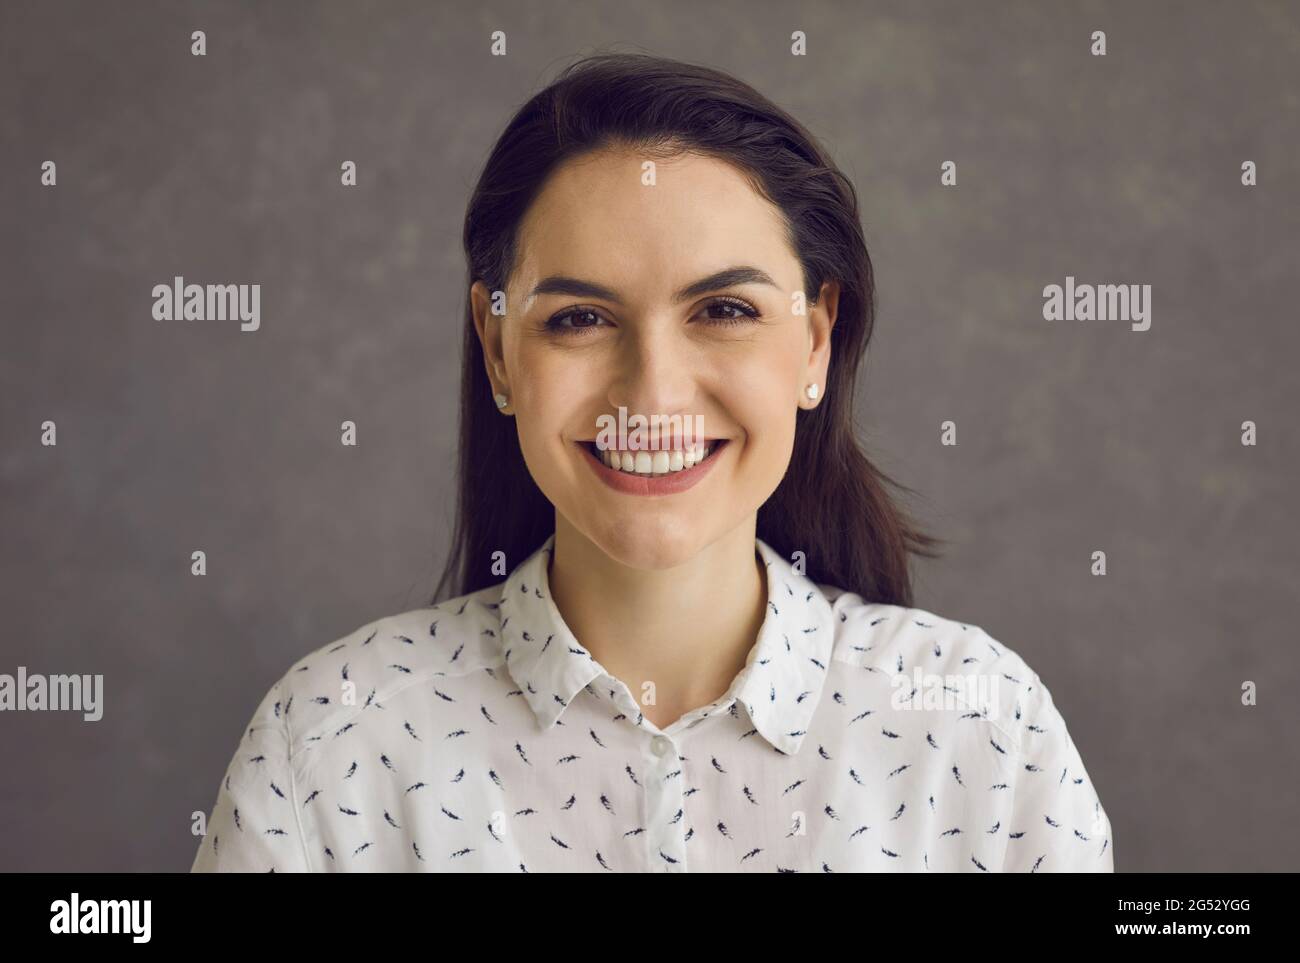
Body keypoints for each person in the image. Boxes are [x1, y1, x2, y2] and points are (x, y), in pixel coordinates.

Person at [192, 52, 1112, 873]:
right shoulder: (331, 744)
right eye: (580, 319)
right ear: (501, 347)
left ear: (816, 342)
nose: (654, 394)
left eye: (724, 310)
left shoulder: (983, 733)